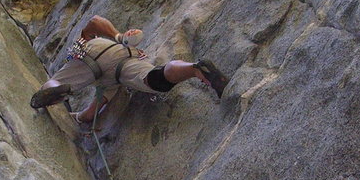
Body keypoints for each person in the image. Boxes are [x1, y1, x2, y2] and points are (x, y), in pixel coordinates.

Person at [30, 15, 228, 123]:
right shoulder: (109, 87)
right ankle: (194, 69)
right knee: (155, 78)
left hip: (90, 54)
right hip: (125, 58)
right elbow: (91, 113)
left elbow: (93, 22)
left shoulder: (78, 48)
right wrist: (119, 39)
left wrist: (77, 118)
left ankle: (54, 90)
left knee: (60, 80)